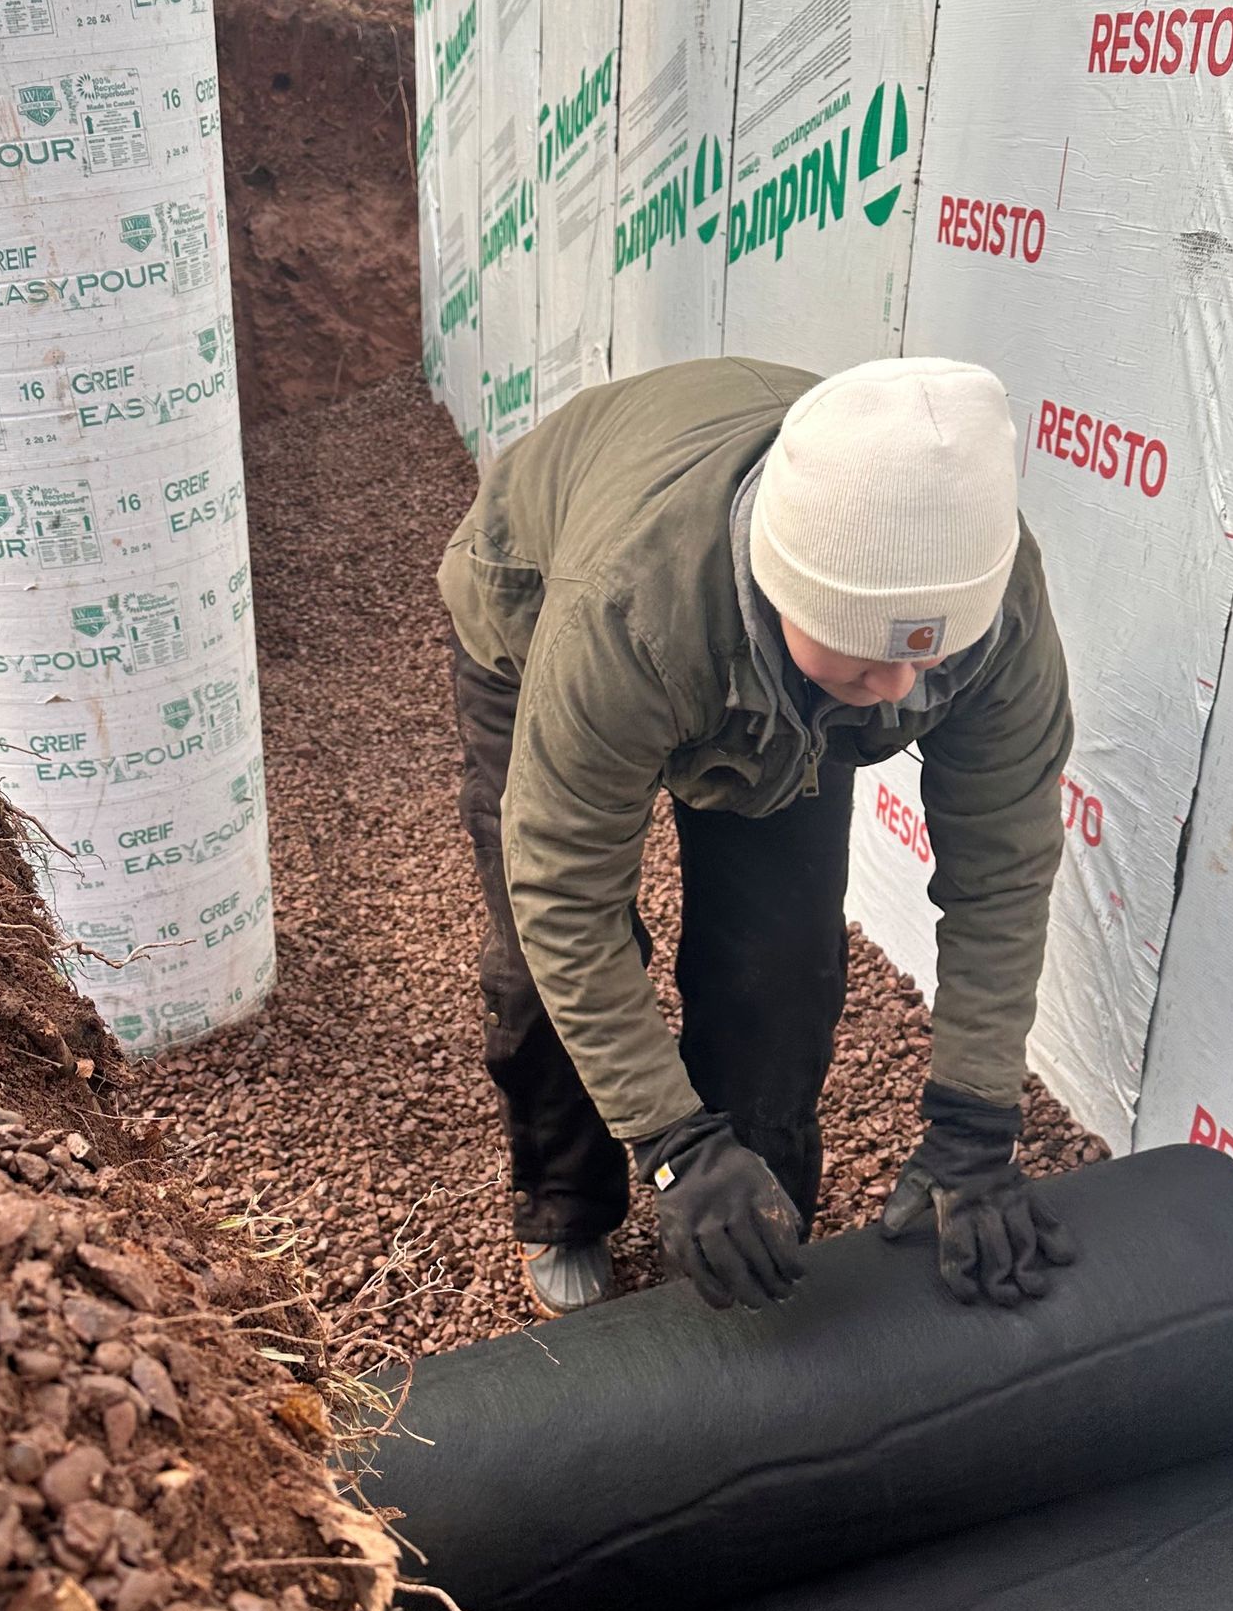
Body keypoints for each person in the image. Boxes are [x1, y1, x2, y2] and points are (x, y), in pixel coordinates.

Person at [441, 354, 1076, 1317]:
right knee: (536, 972)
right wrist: (671, 1143)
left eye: (931, 656)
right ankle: (570, 1204)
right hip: (534, 602)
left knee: (780, 970)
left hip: (760, 669)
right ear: (785, 597)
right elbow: (564, 895)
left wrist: (976, 1120)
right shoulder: (626, 609)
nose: (903, 692)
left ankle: (756, 1215)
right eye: (868, 658)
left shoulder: (993, 600)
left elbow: (1003, 869)